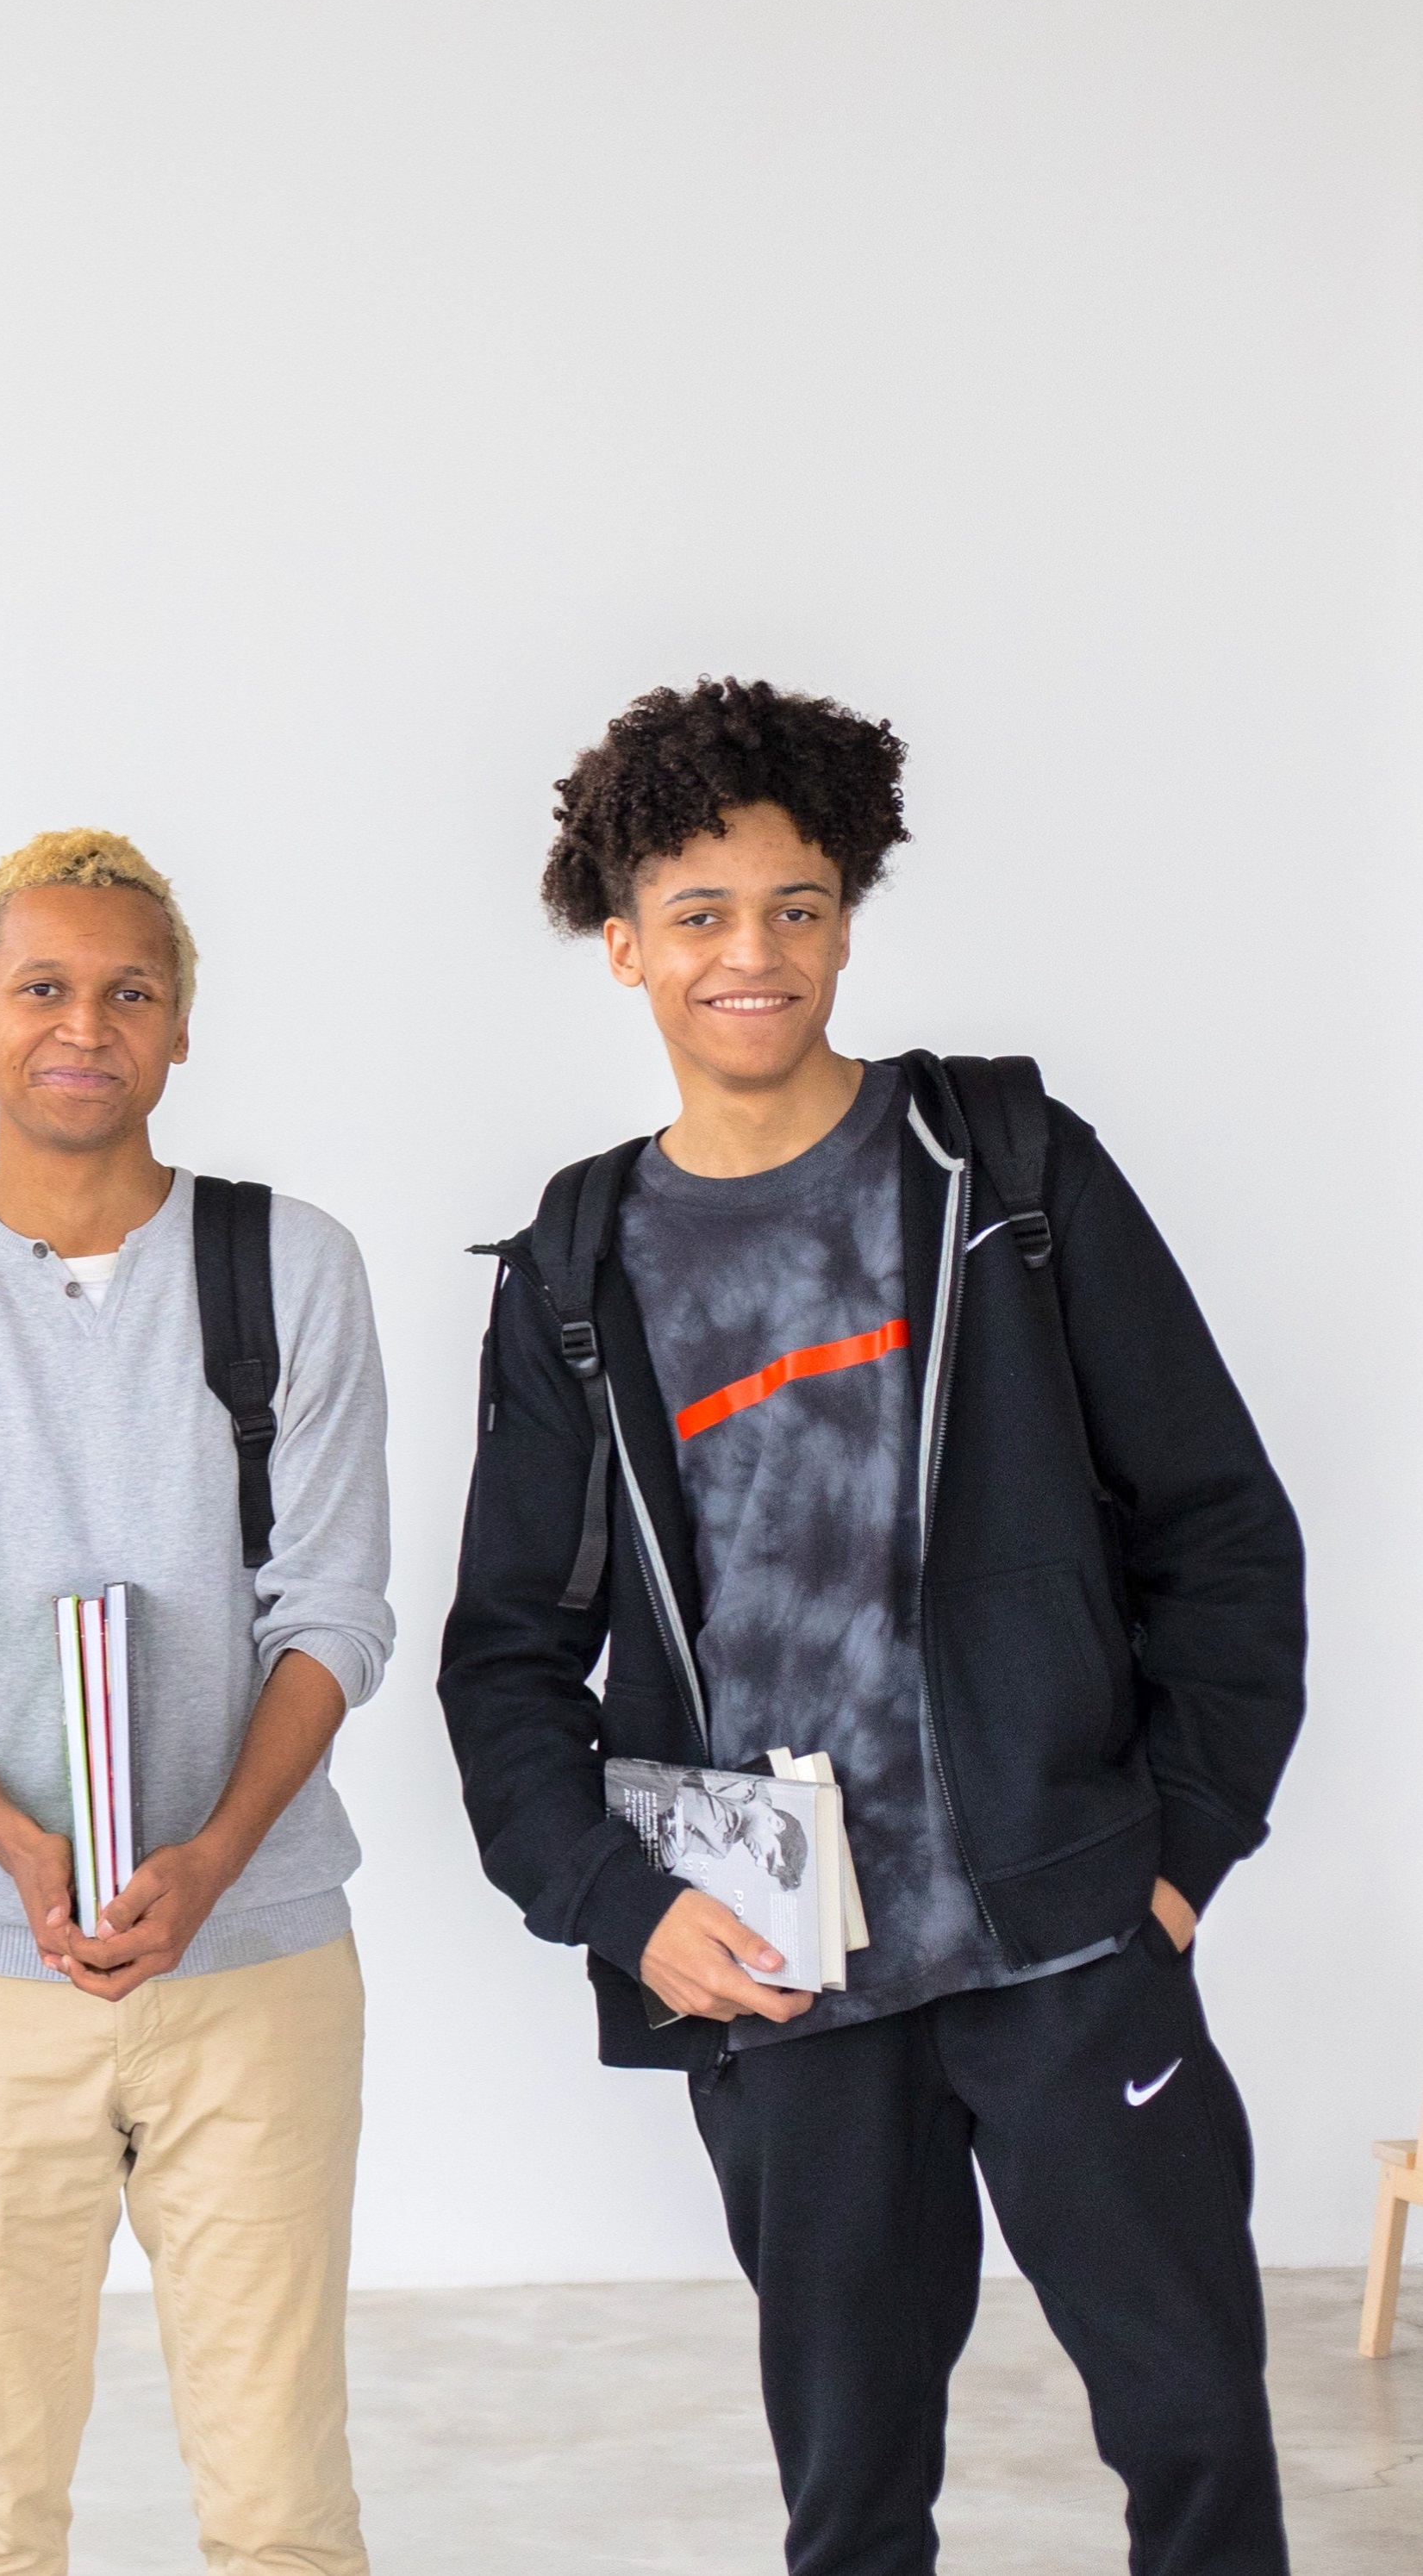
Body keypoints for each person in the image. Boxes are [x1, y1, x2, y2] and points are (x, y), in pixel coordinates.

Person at [440, 682, 1307, 2576]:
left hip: (1058, 1934)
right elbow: (503, 1656)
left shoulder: (997, 1171)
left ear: (844, 916)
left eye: (798, 906)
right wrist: (620, 1903)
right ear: (618, 942)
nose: (752, 954)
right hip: (781, 1979)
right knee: (846, 2504)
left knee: (1190, 2431)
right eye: (697, 912)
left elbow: (1222, 1531)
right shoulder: (578, 1267)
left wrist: (1167, 1858)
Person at [0, 828, 393, 2576]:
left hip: (257, 1957)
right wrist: (15, 1845)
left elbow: (332, 1611)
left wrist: (205, 1856)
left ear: (179, 1023)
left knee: (282, 2500)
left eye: (127, 988)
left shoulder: (287, 1269)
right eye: (40, 986)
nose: (82, 1022)